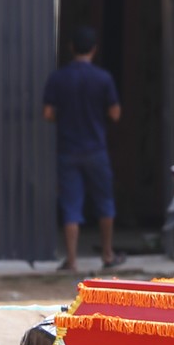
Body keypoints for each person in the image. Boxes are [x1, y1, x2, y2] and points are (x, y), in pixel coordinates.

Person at [42, 25, 122, 272]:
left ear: (71, 48)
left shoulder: (58, 78)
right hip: (96, 149)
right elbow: (115, 113)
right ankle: (108, 255)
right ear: (94, 50)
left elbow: (47, 113)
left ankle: (72, 261)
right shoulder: (103, 78)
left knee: (71, 206)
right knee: (105, 202)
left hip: (68, 149)